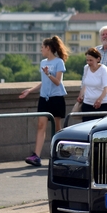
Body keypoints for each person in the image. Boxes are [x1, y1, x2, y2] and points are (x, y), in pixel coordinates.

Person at [19, 36, 69, 167]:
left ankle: (60, 154)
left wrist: (48, 74)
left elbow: (57, 82)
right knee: (41, 126)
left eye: (42, 47)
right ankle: (36, 156)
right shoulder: (42, 62)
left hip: (56, 97)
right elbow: (44, 82)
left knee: (57, 127)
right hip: (44, 98)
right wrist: (30, 90)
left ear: (48, 48)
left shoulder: (59, 62)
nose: (41, 49)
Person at [77, 47, 107, 122]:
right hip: (88, 103)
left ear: (98, 59)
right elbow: (84, 84)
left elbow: (106, 87)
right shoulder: (86, 68)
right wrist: (81, 95)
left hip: (104, 104)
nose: (88, 62)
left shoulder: (103, 69)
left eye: (91, 60)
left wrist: (99, 100)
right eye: (87, 60)